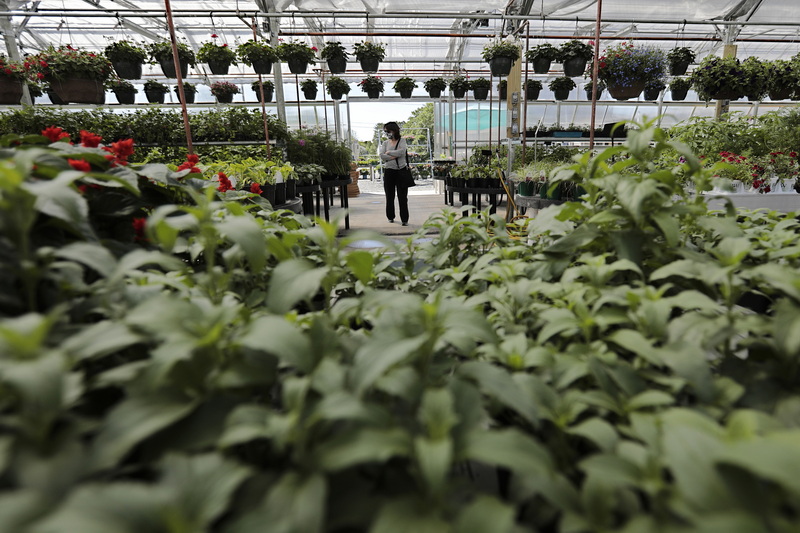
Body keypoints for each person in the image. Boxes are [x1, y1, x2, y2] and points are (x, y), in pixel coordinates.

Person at [378, 121, 410, 226]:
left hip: (401, 170)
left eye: (388, 131)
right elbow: (382, 156)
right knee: (389, 196)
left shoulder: (402, 141)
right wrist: (393, 155)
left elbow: (402, 152)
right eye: (385, 131)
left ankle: (404, 219)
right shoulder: (385, 143)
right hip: (389, 171)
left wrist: (389, 153)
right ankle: (390, 216)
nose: (387, 133)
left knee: (402, 196)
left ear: (394, 130)